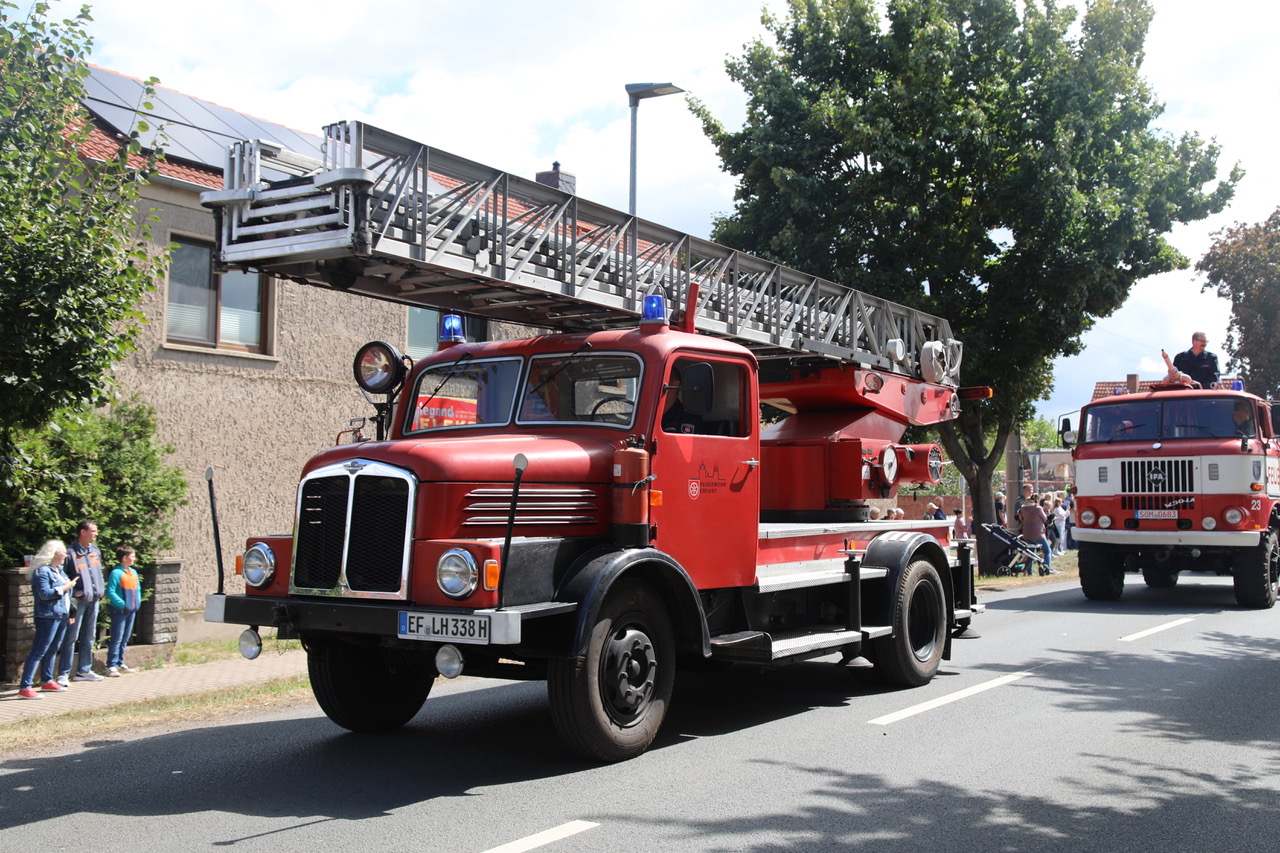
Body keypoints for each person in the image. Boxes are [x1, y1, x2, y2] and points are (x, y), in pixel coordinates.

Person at [17, 540, 76, 699]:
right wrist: (64, 587)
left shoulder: (60, 571)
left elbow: (67, 597)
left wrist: (70, 614)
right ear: (54, 554)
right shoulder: (42, 572)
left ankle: (47, 680)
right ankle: (25, 687)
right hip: (47, 616)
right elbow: (44, 594)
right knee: (39, 651)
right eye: (63, 552)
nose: (65, 555)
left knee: (53, 649)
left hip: (61, 615)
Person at [57, 520, 107, 684]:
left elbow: (99, 571)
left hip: (94, 600)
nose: (96, 534)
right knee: (71, 637)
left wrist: (100, 589)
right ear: (82, 532)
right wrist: (73, 594)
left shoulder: (95, 550)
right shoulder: (70, 553)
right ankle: (64, 673)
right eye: (93, 531)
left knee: (89, 636)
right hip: (78, 602)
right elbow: (63, 577)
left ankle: (84, 670)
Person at [105, 545, 143, 676]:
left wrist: (137, 603)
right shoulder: (116, 573)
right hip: (120, 611)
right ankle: (111, 665)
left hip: (131, 610)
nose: (134, 559)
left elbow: (138, 589)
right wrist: (123, 605)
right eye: (132, 556)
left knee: (125, 637)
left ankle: (120, 662)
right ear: (125, 558)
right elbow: (110, 592)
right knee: (117, 637)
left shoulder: (133, 572)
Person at [1018, 496, 1058, 576]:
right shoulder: (1038, 508)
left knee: (1031, 553)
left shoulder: (1023, 509)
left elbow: (1021, 518)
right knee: (1047, 551)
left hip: (1027, 533)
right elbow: (1045, 519)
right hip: (1038, 533)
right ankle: (1047, 568)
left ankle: (1030, 571)